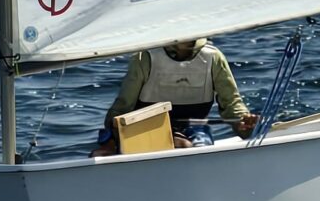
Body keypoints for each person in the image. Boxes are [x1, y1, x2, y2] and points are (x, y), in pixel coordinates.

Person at [95, 37, 260, 152]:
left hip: (195, 128)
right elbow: (123, 106)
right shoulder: (145, 57)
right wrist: (110, 139)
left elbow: (232, 104)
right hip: (146, 129)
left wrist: (243, 123)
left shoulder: (213, 57)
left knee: (196, 148)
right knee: (181, 145)